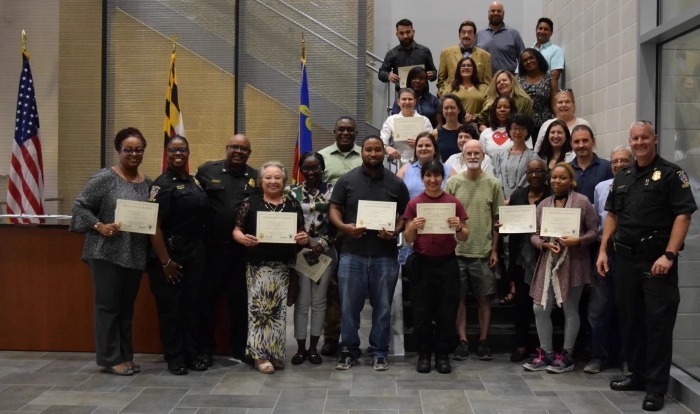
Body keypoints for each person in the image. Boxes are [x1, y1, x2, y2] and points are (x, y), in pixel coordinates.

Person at [598, 121, 697, 411]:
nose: (639, 142)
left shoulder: (672, 174)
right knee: (631, 320)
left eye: (644, 137)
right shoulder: (623, 175)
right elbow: (612, 215)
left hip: (657, 262)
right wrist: (603, 250)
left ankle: (656, 387)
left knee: (658, 324)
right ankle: (638, 375)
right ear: (630, 141)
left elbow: (683, 216)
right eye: (635, 138)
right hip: (625, 259)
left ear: (655, 139)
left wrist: (669, 254)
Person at [70, 127, 152, 376]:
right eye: (128, 149)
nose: (134, 154)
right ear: (119, 151)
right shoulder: (105, 178)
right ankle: (110, 357)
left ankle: (126, 355)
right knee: (108, 307)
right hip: (105, 252)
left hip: (134, 254)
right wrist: (99, 226)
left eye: (138, 150)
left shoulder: (147, 184)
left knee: (126, 308)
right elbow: (80, 206)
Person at [329, 136, 409, 371]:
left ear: (384, 153)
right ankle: (349, 349)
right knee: (349, 307)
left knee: (383, 307)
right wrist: (344, 228)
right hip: (352, 254)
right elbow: (334, 207)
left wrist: (394, 231)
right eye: (368, 150)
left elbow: (405, 214)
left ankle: (379, 351)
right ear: (361, 152)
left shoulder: (396, 183)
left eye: (377, 150)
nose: (373, 154)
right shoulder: (346, 180)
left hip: (385, 255)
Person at [232, 161, 309, 374]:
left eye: (277, 178)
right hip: (258, 265)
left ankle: (274, 352)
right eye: (268, 177)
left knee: (277, 311)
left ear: (284, 181)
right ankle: (259, 355)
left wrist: (303, 238)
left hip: (283, 265)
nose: (273, 181)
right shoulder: (251, 203)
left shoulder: (292, 204)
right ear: (261, 181)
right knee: (260, 311)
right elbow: (236, 230)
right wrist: (243, 239)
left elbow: (302, 232)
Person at [523, 163, 597, 374]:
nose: (557, 181)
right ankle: (546, 353)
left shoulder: (582, 202)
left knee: (569, 308)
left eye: (562, 178)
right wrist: (543, 244)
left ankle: (566, 355)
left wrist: (578, 241)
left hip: (573, 263)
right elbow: (534, 234)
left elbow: (593, 231)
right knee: (539, 308)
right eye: (554, 177)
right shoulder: (544, 204)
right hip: (548, 262)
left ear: (571, 180)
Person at [148, 136, 209, 375]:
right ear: (166, 154)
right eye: (173, 151)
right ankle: (174, 357)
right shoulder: (161, 185)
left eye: (182, 150)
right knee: (171, 309)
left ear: (188, 152)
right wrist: (165, 262)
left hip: (195, 254)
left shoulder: (193, 181)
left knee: (192, 306)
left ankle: (192, 354)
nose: (178, 154)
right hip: (170, 256)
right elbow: (154, 226)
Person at [195, 134, 259, 366]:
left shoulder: (255, 178)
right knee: (207, 302)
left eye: (243, 149)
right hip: (211, 250)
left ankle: (240, 348)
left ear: (249, 153)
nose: (238, 152)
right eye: (234, 147)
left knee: (240, 302)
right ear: (227, 148)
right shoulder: (207, 172)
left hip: (241, 253)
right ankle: (204, 350)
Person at [402, 160, 469, 374]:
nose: (432, 180)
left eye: (437, 176)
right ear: (422, 178)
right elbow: (408, 238)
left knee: (446, 313)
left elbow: (465, 236)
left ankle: (442, 355)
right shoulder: (415, 204)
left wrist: (459, 227)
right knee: (421, 313)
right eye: (428, 176)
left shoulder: (453, 202)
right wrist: (413, 225)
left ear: (443, 178)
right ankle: (424, 355)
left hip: (447, 264)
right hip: (422, 265)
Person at [446, 139, 505, 361]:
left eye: (476, 153)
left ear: (483, 156)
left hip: (483, 252)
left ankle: (483, 341)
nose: (472, 156)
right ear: (462, 156)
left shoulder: (493, 184)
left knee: (484, 299)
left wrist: (495, 251)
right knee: (459, 299)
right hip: (457, 252)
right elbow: (446, 217)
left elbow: (497, 220)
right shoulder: (453, 184)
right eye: (468, 153)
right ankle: (462, 341)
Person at [584, 146, 633, 375]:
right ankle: (598, 356)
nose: (619, 164)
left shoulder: (640, 187)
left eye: (624, 160)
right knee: (599, 307)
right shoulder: (601, 188)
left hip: (631, 254)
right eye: (615, 161)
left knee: (628, 307)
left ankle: (626, 358)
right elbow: (598, 222)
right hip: (605, 252)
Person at [317, 116, 362, 357]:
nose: (345, 133)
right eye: (341, 129)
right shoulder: (322, 156)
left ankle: (351, 337)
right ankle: (331, 337)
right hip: (331, 231)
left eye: (350, 130)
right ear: (334, 131)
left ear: (356, 133)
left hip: (359, 229)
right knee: (332, 286)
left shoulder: (366, 154)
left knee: (354, 287)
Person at [287, 152, 337, 366]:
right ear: (300, 169)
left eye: (315, 167)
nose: (311, 172)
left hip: (325, 252)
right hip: (300, 252)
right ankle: (300, 349)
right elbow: (287, 218)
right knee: (302, 301)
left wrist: (322, 244)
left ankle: (314, 348)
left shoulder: (333, 191)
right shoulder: (291, 192)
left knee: (320, 301)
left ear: (322, 169)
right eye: (306, 168)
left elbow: (337, 220)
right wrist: (305, 242)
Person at [504, 158, 552, 362]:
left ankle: (546, 348)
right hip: (522, 257)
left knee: (545, 306)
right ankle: (521, 345)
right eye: (530, 172)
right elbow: (510, 225)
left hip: (548, 256)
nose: (534, 175)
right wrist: (503, 225)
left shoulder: (553, 196)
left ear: (545, 174)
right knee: (521, 304)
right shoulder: (518, 195)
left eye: (539, 171)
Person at [378, 19, 437, 92]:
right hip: (402, 97)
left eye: (408, 32)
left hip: (423, 96)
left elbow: (434, 72)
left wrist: (432, 75)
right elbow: (381, 73)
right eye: (401, 33)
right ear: (397, 34)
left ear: (413, 32)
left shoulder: (424, 51)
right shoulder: (392, 53)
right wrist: (388, 76)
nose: (405, 36)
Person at [437, 20, 492, 96]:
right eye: (463, 32)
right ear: (459, 35)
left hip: (476, 100)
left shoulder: (485, 56)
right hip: (452, 98)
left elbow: (487, 83)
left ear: (475, 36)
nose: (466, 35)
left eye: (470, 32)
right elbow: (441, 80)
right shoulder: (446, 53)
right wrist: (443, 94)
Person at [380, 88, 433, 165]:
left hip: (422, 162)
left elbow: (432, 142)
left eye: (410, 99)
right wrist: (386, 148)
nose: (407, 102)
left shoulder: (424, 120)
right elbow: (382, 141)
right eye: (404, 99)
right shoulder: (391, 120)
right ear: (398, 102)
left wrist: (420, 143)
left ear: (415, 102)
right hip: (398, 163)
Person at [396, 132, 454, 198]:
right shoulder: (405, 169)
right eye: (420, 146)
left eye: (427, 145)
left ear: (435, 149)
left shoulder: (448, 169)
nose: (423, 148)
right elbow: (395, 192)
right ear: (415, 149)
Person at [493, 114, 537, 201]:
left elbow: (530, 182)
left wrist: (514, 200)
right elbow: (497, 179)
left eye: (522, 128)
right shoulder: (500, 155)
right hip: (502, 202)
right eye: (514, 128)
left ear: (527, 131)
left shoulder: (533, 157)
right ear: (509, 130)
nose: (518, 132)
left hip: (523, 201)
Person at [476, 1, 526, 75]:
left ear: (503, 13)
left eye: (499, 11)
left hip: (508, 81)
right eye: (493, 11)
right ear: (488, 13)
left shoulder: (514, 34)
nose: (496, 13)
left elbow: (523, 58)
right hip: (484, 82)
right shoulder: (479, 34)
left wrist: (519, 76)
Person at [569, 125, 613, 203]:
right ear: (571, 144)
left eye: (585, 140)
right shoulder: (566, 169)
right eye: (576, 142)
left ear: (593, 141)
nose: (581, 145)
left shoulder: (607, 167)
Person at [518, 48, 555, 140]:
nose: (528, 62)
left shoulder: (550, 78)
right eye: (525, 60)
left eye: (531, 58)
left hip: (545, 124)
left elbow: (554, 103)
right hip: (524, 126)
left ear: (538, 59)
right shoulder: (518, 80)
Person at [449, 57, 489, 125]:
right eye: (463, 66)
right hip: (455, 126)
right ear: (459, 69)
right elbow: (445, 107)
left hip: (478, 125)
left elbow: (489, 107)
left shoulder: (484, 88)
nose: (466, 68)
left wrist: (476, 116)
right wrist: (463, 114)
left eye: (469, 65)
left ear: (474, 69)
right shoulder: (451, 88)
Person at [432, 94, 466, 162]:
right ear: (442, 110)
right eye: (446, 108)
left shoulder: (467, 131)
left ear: (458, 110)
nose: (449, 111)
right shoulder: (435, 133)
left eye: (452, 107)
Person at [533, 17, 564, 88]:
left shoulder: (556, 50)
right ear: (536, 30)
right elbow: (518, 74)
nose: (542, 31)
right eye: (540, 28)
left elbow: (554, 76)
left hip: (545, 92)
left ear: (551, 33)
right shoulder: (528, 51)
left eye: (546, 29)